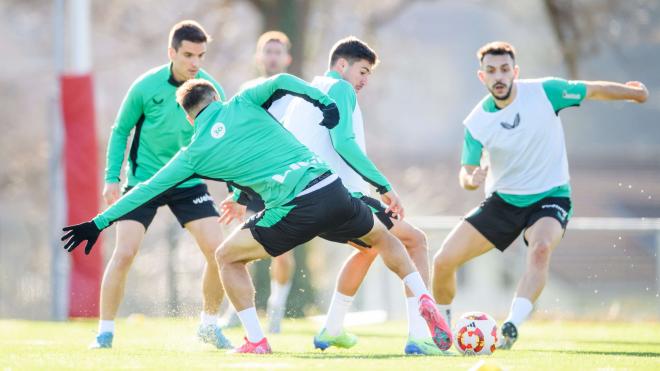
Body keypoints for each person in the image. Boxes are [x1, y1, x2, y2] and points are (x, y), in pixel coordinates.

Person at [61, 75, 452, 354]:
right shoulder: (245, 100)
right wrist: (325, 103)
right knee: (383, 239)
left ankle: (255, 339)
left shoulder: (194, 151)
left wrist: (98, 222)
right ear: (216, 96)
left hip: (294, 208)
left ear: (189, 117)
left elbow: (146, 189)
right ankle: (423, 297)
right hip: (330, 188)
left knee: (226, 257)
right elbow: (283, 79)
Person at [431, 41, 648, 350]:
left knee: (541, 248)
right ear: (482, 77)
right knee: (442, 261)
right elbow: (466, 172)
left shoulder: (545, 92)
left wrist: (633, 93)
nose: (499, 77)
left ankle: (511, 325)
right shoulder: (477, 122)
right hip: (503, 202)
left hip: (550, 196)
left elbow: (593, 89)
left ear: (515, 72)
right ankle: (442, 327)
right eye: (491, 71)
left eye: (505, 70)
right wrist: (471, 178)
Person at [281, 36, 442, 355]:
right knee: (416, 242)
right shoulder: (339, 89)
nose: (365, 80)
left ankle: (332, 328)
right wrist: (384, 187)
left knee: (368, 250)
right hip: (343, 198)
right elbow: (343, 143)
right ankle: (420, 337)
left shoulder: (305, 94)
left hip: (307, 202)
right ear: (342, 65)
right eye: (363, 71)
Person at [91, 20, 230, 349]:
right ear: (171, 52)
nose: (195, 63)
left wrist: (237, 189)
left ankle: (209, 325)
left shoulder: (211, 91)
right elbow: (120, 130)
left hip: (188, 181)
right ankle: (104, 333)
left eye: (201, 55)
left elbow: (222, 140)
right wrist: (112, 177)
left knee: (219, 252)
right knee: (124, 253)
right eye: (187, 55)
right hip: (144, 182)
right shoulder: (146, 86)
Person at [221, 31, 295, 334]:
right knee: (240, 248)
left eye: (278, 52)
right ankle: (236, 310)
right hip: (250, 179)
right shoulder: (246, 91)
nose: (273, 56)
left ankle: (277, 307)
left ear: (287, 58)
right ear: (258, 57)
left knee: (282, 251)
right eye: (268, 51)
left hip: (283, 180)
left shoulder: (294, 92)